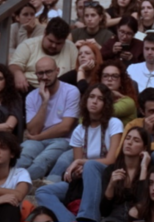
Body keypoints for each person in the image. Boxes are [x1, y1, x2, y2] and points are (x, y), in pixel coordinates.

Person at [35, 83, 124, 221]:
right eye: (91, 97)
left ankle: (88, 217)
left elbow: (111, 160)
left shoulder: (114, 123)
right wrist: (77, 171)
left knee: (90, 166)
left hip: (107, 177)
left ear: (106, 104)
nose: (94, 101)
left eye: (100, 99)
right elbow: (78, 167)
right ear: (86, 100)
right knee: (43, 192)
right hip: (83, 183)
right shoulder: (79, 130)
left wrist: (82, 162)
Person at [17, 57, 80, 180]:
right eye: (40, 73)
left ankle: (18, 185)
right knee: (21, 157)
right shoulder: (31, 96)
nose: (45, 77)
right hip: (36, 141)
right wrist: (44, 102)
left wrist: (38, 137)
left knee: (41, 162)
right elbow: (33, 130)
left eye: (48, 72)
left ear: (57, 71)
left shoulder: (71, 91)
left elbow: (65, 127)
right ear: (36, 75)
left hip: (62, 140)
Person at [89, 60, 138, 126]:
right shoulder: (93, 99)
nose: (109, 79)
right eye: (105, 76)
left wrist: (107, 95)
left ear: (121, 81)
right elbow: (82, 118)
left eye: (114, 76)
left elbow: (103, 112)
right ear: (100, 80)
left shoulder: (128, 101)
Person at [0, 131, 30, 220]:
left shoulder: (20, 173)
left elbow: (19, 195)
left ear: (12, 154)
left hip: (5, 216)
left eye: (2, 148)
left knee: (9, 205)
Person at [0, 64, 22, 136]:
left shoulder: (14, 98)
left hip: (7, 139)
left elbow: (9, 127)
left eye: (0, 78)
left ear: (6, 80)